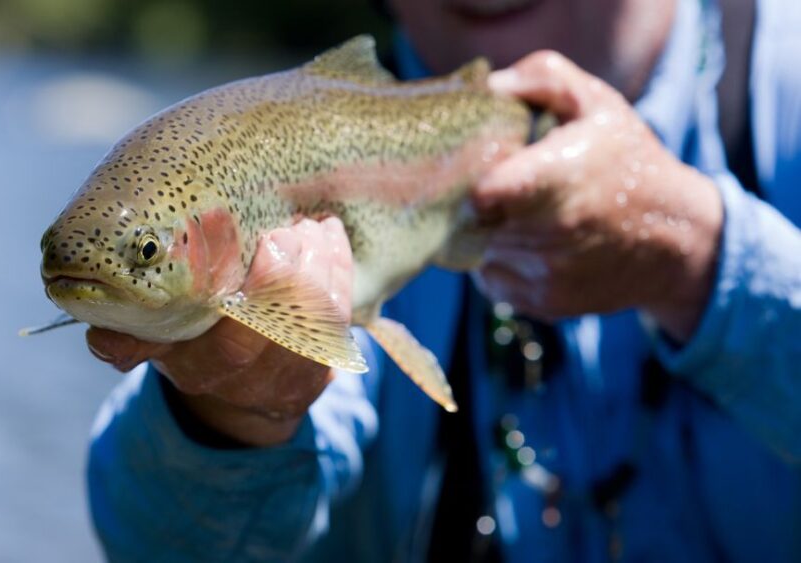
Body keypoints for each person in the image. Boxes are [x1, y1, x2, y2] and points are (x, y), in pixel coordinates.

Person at [83, 0, 801, 560]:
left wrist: (698, 255)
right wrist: (228, 416)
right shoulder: (322, 141)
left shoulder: (784, 84)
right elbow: (161, 546)